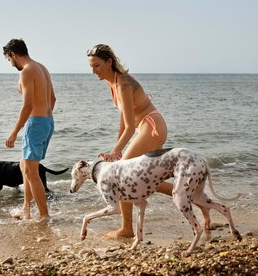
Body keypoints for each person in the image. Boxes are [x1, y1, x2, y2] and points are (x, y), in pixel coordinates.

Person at [87, 44, 213, 239]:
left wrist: (115, 153)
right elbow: (123, 117)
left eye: (96, 65)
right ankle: (200, 201)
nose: (93, 71)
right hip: (149, 127)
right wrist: (117, 148)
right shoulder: (111, 82)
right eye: (91, 67)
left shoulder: (123, 84)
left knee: (122, 176)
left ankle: (127, 229)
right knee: (150, 179)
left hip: (151, 127)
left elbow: (130, 127)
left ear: (109, 62)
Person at [3, 38, 56, 220]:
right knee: (24, 166)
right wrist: (44, 120)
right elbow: (53, 99)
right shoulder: (42, 68)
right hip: (47, 121)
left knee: (32, 173)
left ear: (13, 54)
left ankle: (43, 216)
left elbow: (28, 105)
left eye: (9, 60)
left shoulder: (26, 72)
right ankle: (26, 209)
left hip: (36, 123)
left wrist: (14, 132)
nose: (11, 64)